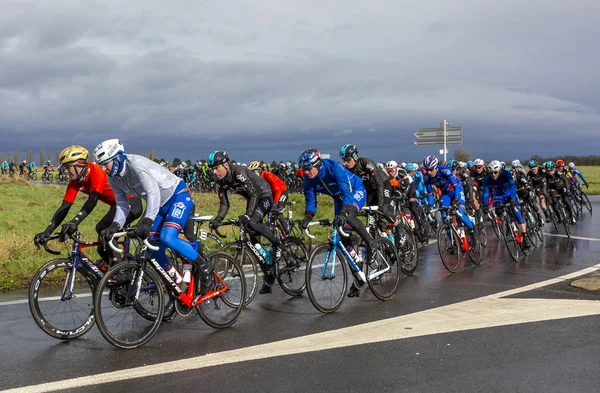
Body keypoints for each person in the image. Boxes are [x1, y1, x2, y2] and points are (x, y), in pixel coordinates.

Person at [94, 139, 213, 294]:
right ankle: (175, 285)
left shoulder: (136, 166)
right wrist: (115, 226)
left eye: (105, 163)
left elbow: (153, 192)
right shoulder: (113, 177)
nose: (103, 169)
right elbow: (123, 205)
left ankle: (204, 266)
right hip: (160, 204)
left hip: (178, 196)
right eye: (100, 164)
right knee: (152, 247)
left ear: (116, 158)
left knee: (167, 237)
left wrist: (147, 220)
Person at [34, 145, 143, 267]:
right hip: (116, 206)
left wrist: (75, 222)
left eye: (67, 167)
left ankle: (123, 271)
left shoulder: (96, 171)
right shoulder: (74, 182)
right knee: (101, 246)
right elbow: (65, 207)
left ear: (80, 164)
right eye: (64, 167)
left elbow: (92, 200)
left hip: (131, 203)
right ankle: (117, 272)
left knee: (106, 233)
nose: (65, 171)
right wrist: (47, 231)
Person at [298, 148, 378, 298]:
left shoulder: (333, 167)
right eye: (304, 169)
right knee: (341, 237)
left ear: (317, 164)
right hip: (338, 197)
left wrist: (344, 212)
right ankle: (357, 273)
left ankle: (372, 243)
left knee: (348, 217)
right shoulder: (308, 178)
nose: (306, 172)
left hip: (354, 190)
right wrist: (308, 217)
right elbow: (310, 199)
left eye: (308, 169)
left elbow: (346, 191)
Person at [206, 150, 280, 294]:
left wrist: (247, 215)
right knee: (253, 242)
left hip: (264, 195)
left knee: (252, 222)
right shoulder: (220, 181)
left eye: (216, 168)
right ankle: (268, 275)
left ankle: (276, 241)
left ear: (226, 165)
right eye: (212, 169)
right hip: (252, 199)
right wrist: (218, 219)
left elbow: (253, 194)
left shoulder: (238, 172)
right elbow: (224, 204)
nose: (214, 171)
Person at [422, 155, 479, 245]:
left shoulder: (445, 170)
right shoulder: (426, 177)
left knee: (459, 213)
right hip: (446, 194)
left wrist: (456, 199)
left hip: (456, 189)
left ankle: (473, 231)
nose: (428, 172)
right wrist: (429, 205)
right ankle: (454, 242)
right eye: (426, 170)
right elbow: (430, 194)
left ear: (435, 167)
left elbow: (456, 186)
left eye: (431, 169)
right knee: (445, 217)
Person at [482, 160, 531, 248]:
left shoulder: (506, 174)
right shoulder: (487, 178)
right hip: (499, 196)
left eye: (495, 172)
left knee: (517, 214)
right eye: (491, 172)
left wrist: (512, 198)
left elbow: (512, 186)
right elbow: (486, 193)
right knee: (498, 209)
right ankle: (507, 221)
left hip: (510, 194)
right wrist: (485, 205)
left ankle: (525, 237)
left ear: (500, 171)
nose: (493, 175)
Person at [339, 144, 389, 213]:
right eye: (343, 160)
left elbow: (379, 183)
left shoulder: (366, 162)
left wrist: (380, 204)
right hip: (370, 189)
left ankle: (399, 223)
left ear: (355, 157)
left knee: (384, 210)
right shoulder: (347, 169)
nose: (345, 163)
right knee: (371, 213)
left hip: (383, 183)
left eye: (347, 160)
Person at [248, 160, 291, 235]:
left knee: (277, 210)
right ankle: (277, 230)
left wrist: (275, 202)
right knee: (270, 212)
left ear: (259, 171)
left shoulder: (268, 175)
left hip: (282, 191)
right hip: (272, 194)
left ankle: (287, 231)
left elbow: (277, 191)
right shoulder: (256, 180)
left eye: (254, 173)